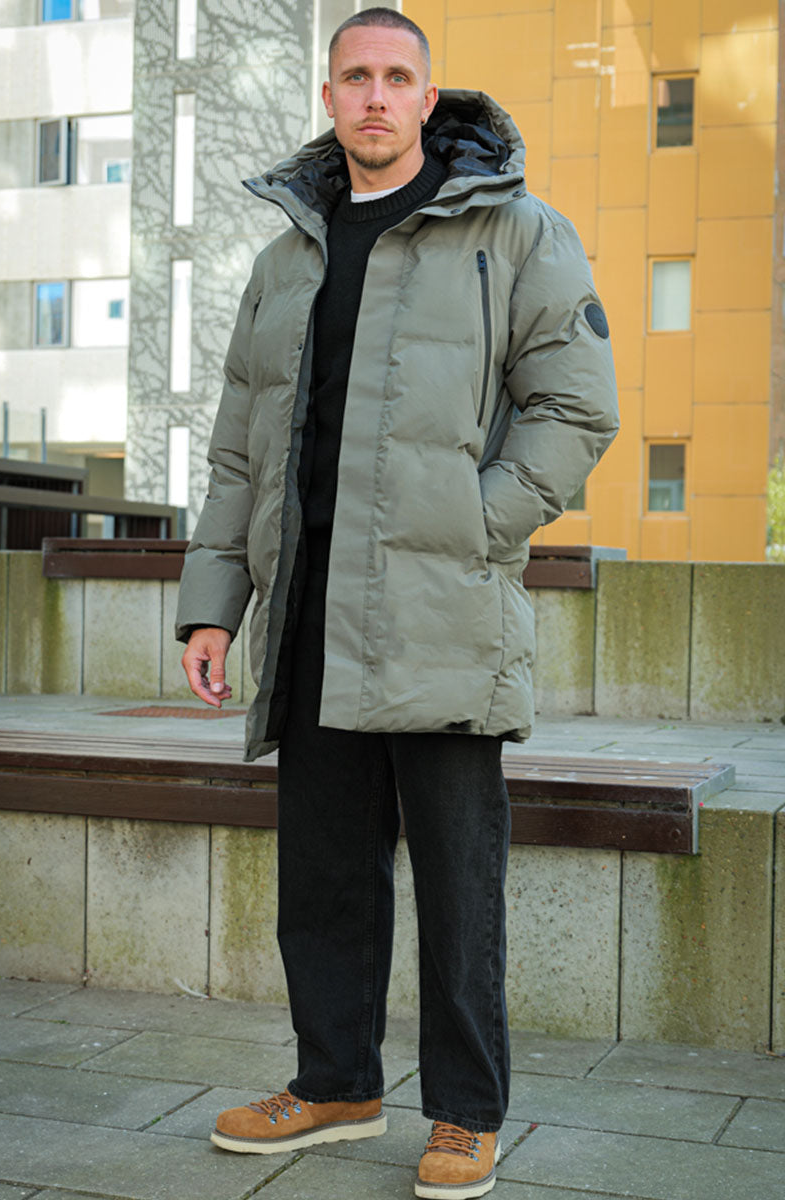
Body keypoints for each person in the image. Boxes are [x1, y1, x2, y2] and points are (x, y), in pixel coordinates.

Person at [176, 8, 618, 1197]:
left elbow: (574, 405)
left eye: (396, 77)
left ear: (428, 98)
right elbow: (237, 451)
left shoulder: (513, 232)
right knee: (322, 875)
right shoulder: (285, 259)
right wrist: (213, 603)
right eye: (354, 76)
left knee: (458, 884)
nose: (374, 96)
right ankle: (335, 1086)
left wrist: (478, 522)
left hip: (442, 612)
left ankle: (465, 1113)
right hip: (309, 615)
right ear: (328, 96)